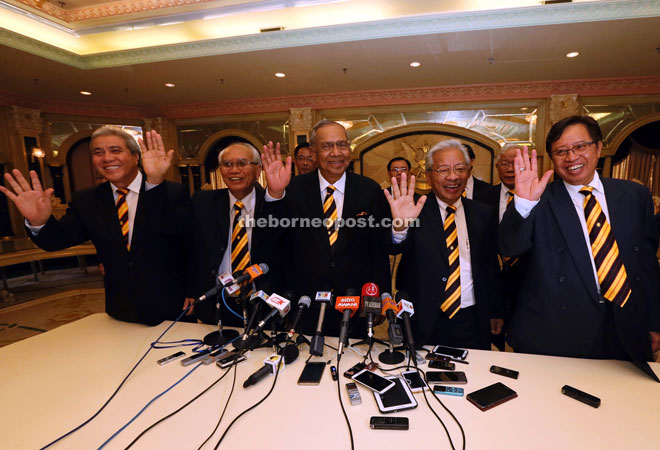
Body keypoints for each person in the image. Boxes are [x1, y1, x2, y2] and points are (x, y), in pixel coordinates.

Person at [500, 115, 660, 380]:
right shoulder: (539, 199)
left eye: (580, 147)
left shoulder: (633, 195)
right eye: (561, 151)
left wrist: (654, 323)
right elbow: (509, 247)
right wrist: (523, 203)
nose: (571, 157)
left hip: (622, 329)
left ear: (598, 148)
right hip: (555, 334)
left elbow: (647, 265)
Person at [0, 126, 191, 325]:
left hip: (174, 304)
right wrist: (38, 222)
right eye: (98, 153)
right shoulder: (87, 200)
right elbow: (58, 240)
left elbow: (192, 246)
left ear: (136, 157)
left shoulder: (172, 192)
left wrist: (194, 290)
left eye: (115, 150)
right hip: (122, 308)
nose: (106, 158)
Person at [262, 120, 391, 337]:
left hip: (354, 302)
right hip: (305, 301)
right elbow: (271, 239)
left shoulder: (369, 190)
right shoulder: (292, 189)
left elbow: (378, 250)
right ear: (313, 151)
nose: (336, 153)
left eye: (342, 145)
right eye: (327, 146)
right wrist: (275, 195)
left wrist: (379, 298)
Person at [385, 139, 503, 349]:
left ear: (468, 173)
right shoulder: (415, 210)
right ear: (429, 176)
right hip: (423, 320)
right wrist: (400, 227)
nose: (453, 176)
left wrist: (496, 310)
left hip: (471, 320)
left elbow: (490, 267)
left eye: (460, 169)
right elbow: (394, 248)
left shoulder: (482, 213)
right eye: (443, 170)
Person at [185, 142, 282, 326]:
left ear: (258, 169)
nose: (234, 170)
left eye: (242, 163)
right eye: (227, 164)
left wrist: (276, 194)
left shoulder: (273, 204)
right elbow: (188, 249)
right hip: (216, 306)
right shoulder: (202, 202)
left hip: (262, 307)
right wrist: (190, 290)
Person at [475, 143, 523, 350]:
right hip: (491, 278)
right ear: (497, 166)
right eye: (505, 163)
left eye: (515, 164)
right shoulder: (482, 198)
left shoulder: (541, 198)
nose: (510, 169)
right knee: (491, 341)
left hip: (526, 282)